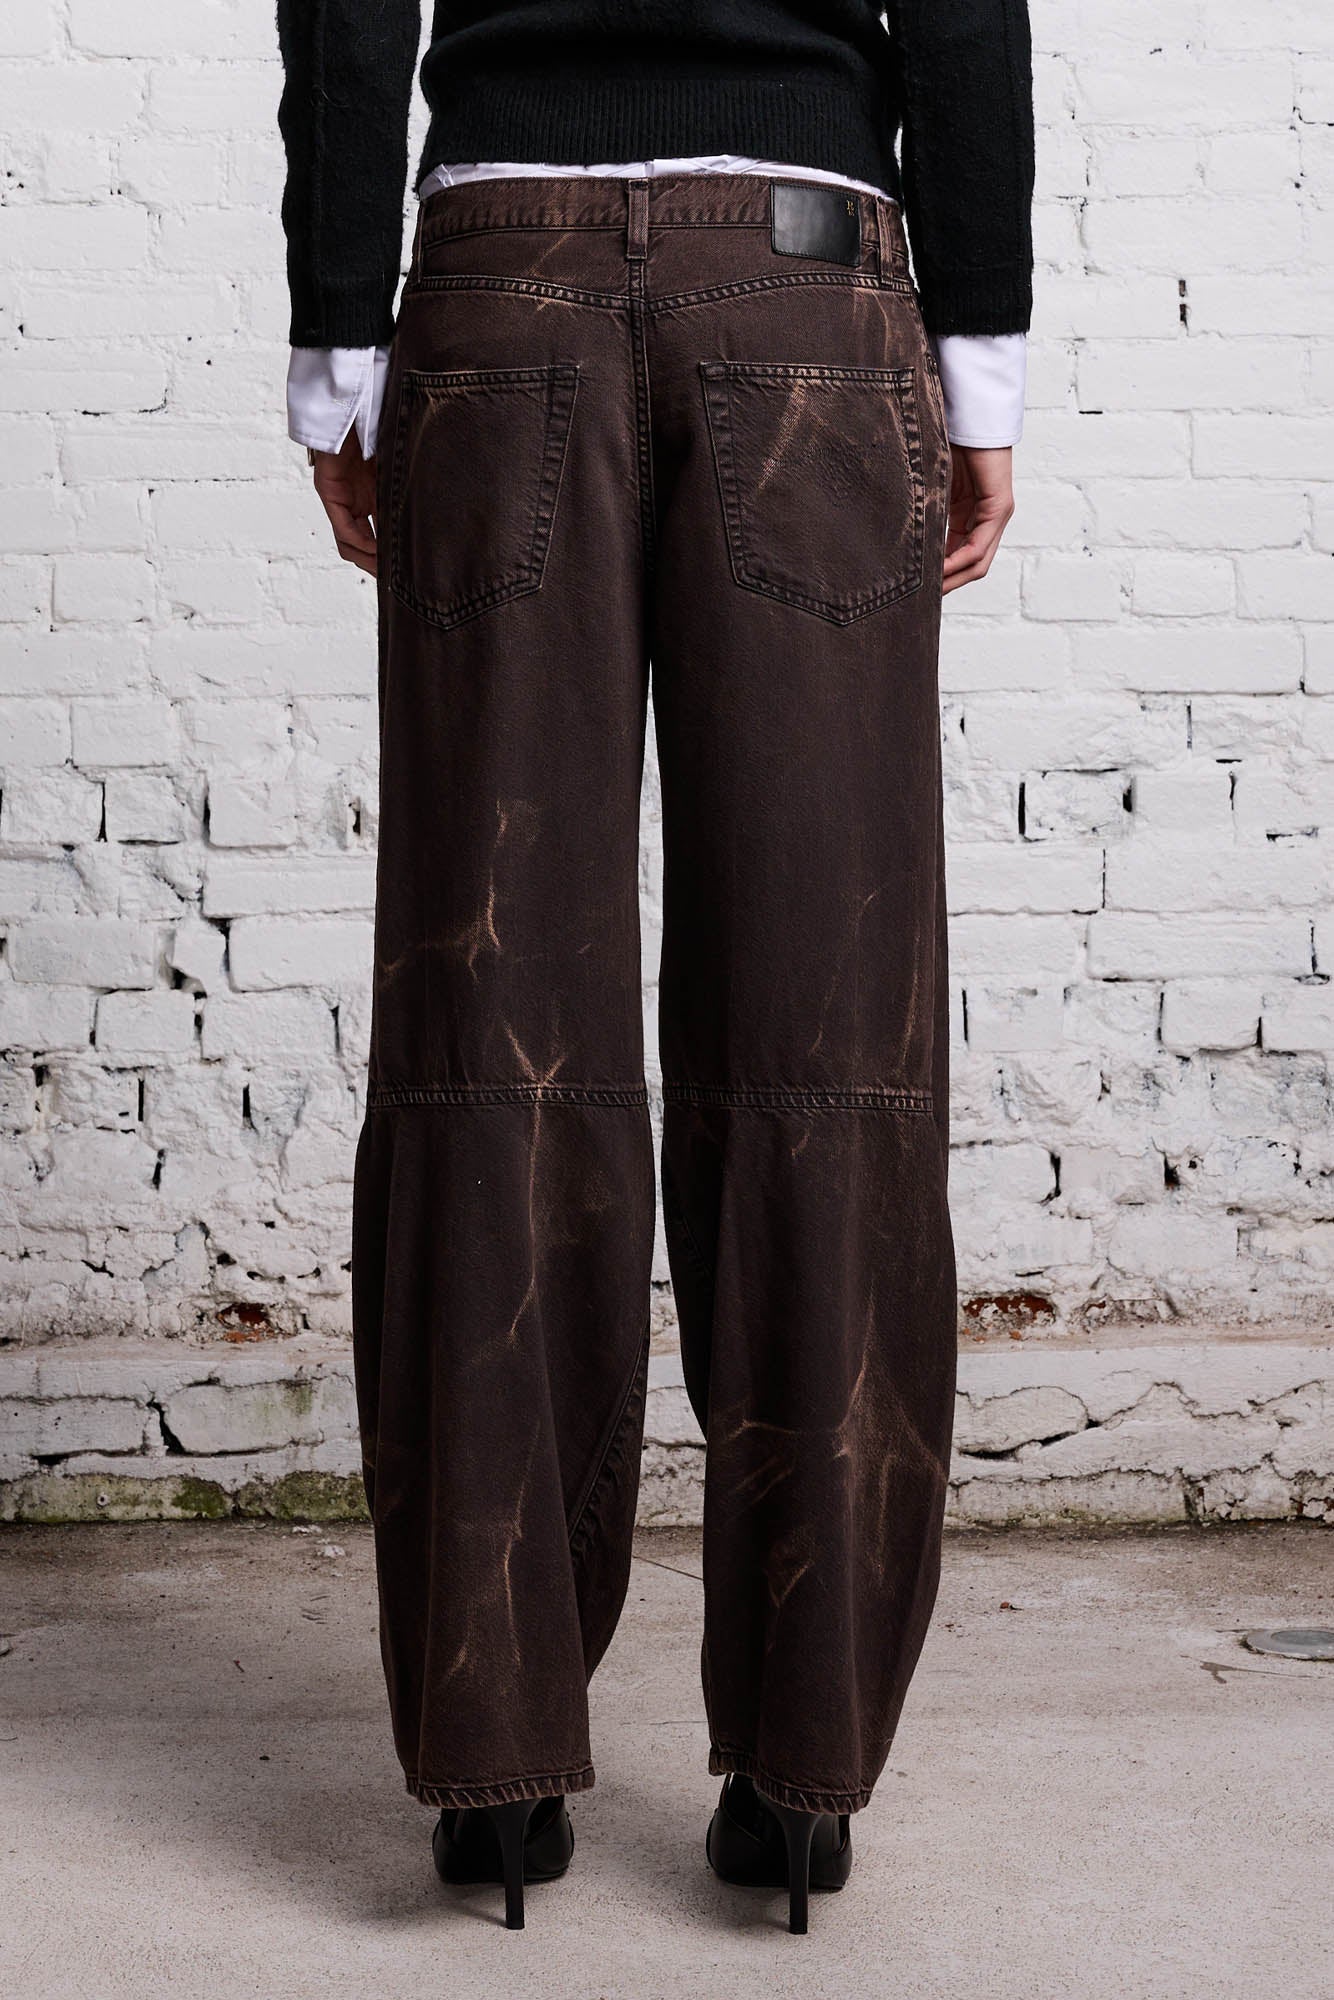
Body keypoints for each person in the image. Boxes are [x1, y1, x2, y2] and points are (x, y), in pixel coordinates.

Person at [276, 0, 1034, 1936]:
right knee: (825, 1040)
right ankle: (797, 1776)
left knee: (488, 1033)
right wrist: (980, 360)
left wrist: (341, 341)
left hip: (498, 281)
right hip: (804, 279)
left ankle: (497, 1764)